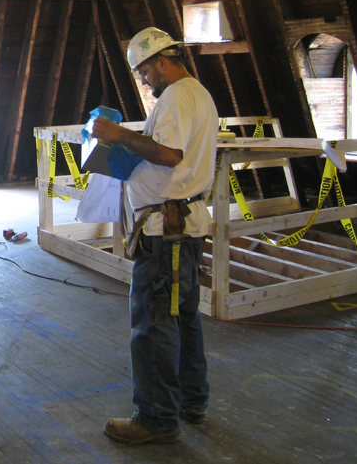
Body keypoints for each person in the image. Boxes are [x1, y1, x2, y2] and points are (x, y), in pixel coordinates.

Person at [92, 27, 218, 445]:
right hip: (180, 226)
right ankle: (190, 401)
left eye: (145, 73)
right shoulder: (194, 93)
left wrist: (119, 136)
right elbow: (166, 153)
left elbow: (168, 155)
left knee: (153, 324)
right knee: (182, 318)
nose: (145, 81)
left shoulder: (179, 96)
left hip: (168, 233)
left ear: (162, 61)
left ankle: (156, 417)